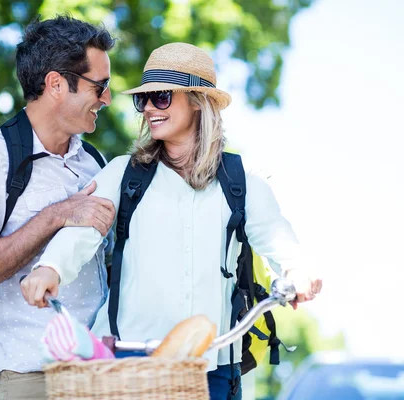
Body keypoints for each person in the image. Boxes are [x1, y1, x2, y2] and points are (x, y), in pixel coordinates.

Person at [20, 42, 323, 400]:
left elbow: (277, 238)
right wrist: (50, 269)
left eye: (161, 97)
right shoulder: (124, 174)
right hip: (129, 366)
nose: (148, 108)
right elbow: (83, 231)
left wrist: (296, 271)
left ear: (197, 100)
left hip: (213, 370)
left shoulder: (242, 182)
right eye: (143, 99)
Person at [0, 16, 116, 399]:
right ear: (56, 84)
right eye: (99, 86)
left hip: (102, 370)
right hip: (31, 374)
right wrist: (57, 215)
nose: (106, 98)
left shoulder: (94, 162)